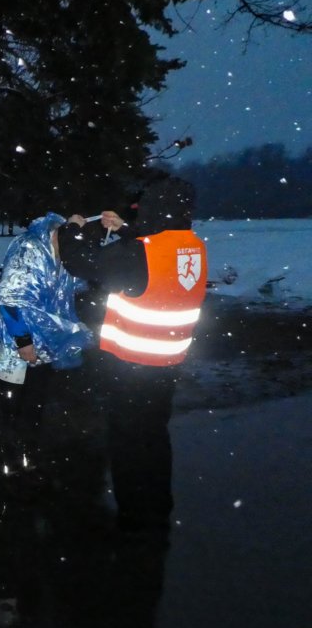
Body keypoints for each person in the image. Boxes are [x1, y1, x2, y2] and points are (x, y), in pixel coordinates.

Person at [58, 176, 207, 532]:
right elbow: (153, 250)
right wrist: (126, 229)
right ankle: (159, 505)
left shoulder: (138, 253)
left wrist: (72, 230)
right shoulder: (192, 245)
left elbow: (81, 262)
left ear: (157, 210)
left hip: (132, 366)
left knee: (127, 439)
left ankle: (134, 517)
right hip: (169, 362)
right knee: (154, 434)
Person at [0, 212, 93, 476]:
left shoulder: (63, 255)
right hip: (15, 343)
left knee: (35, 403)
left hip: (45, 342)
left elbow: (74, 289)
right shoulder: (29, 248)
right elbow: (10, 300)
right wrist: (24, 341)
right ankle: (8, 461)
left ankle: (28, 455)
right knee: (12, 404)